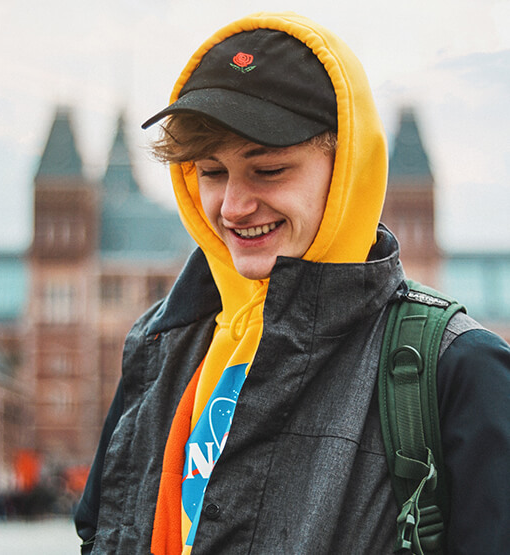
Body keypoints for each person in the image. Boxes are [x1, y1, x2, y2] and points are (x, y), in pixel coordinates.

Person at [75, 11, 510, 554]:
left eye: (269, 170)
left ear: (346, 168)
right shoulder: (160, 346)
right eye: (212, 172)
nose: (233, 207)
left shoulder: (458, 369)